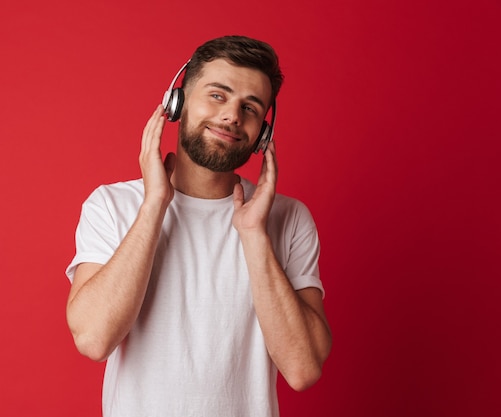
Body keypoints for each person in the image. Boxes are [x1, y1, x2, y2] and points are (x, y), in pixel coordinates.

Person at [65, 35, 332, 417]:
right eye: (218, 95)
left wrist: (254, 235)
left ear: (264, 134)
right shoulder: (111, 206)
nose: (232, 117)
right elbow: (93, 339)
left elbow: (303, 369)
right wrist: (154, 205)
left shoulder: (288, 218)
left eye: (250, 107)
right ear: (177, 102)